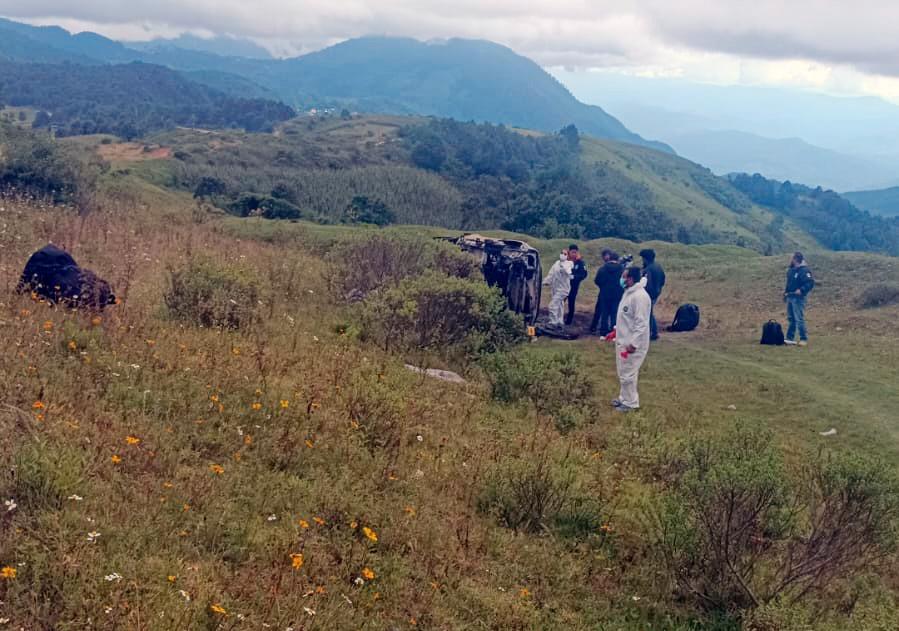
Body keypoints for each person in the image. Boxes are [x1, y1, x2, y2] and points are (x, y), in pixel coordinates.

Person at [612, 266, 652, 412]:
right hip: (623, 339)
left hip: (633, 343)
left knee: (628, 372)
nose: (621, 279)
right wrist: (616, 331)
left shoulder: (640, 297)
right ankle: (624, 398)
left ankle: (631, 403)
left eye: (624, 276)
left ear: (630, 279)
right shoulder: (628, 293)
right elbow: (626, 317)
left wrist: (634, 343)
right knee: (623, 371)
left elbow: (641, 323)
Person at [589, 249, 624, 336]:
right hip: (617, 294)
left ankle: (603, 332)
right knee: (614, 313)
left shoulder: (603, 268)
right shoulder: (621, 269)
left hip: (604, 294)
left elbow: (597, 280)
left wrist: (603, 287)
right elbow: (624, 282)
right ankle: (613, 332)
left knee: (604, 313)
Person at [783, 251, 815, 346]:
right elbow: (788, 284)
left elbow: (810, 283)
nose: (791, 259)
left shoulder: (805, 270)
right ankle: (789, 338)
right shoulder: (791, 270)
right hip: (790, 297)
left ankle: (803, 338)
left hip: (798, 298)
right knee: (791, 319)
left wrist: (801, 290)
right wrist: (785, 293)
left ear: (796, 259)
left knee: (799, 319)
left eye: (792, 258)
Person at [640, 248, 666, 341]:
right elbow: (663, 280)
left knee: (648, 313)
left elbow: (646, 283)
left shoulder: (647, 269)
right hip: (656, 292)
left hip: (649, 294)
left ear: (645, 258)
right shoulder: (658, 266)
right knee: (649, 312)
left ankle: (652, 333)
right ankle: (653, 332)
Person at [543, 249, 573, 328]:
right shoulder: (556, 263)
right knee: (560, 305)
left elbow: (568, 270)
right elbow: (551, 274)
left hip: (563, 289)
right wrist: (545, 281)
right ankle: (560, 322)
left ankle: (553, 322)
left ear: (568, 256)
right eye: (562, 253)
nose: (563, 255)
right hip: (555, 288)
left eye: (565, 254)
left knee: (552, 305)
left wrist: (567, 271)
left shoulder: (569, 263)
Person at [565, 244, 588, 326]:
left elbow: (584, 274)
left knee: (571, 302)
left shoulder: (580, 262)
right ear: (569, 252)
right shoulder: (565, 260)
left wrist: (575, 277)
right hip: (563, 285)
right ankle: (558, 318)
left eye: (575, 252)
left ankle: (569, 321)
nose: (574, 254)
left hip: (573, 286)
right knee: (560, 302)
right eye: (572, 252)